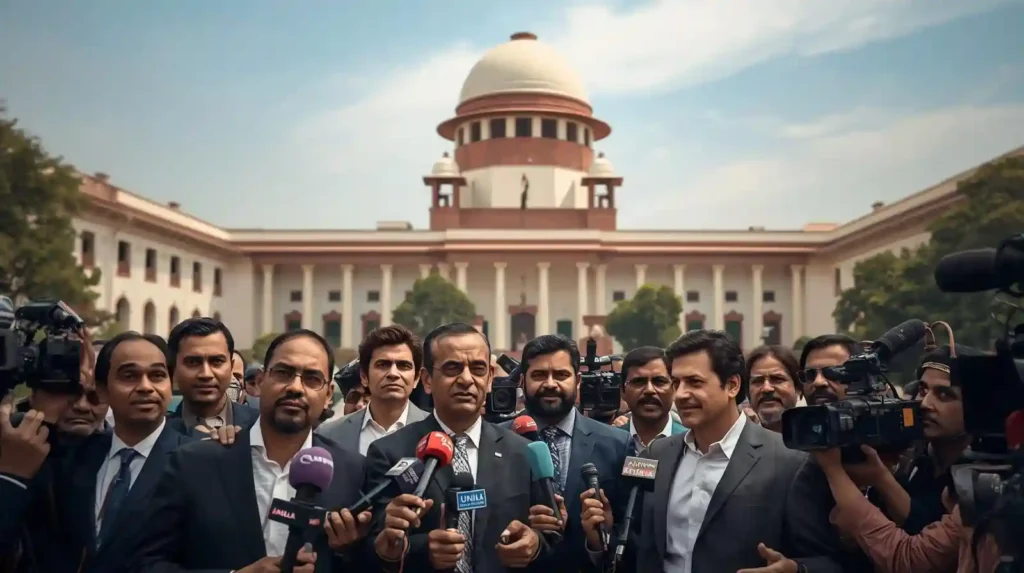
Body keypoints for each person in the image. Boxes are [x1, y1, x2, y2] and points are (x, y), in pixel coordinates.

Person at [127, 330, 369, 572]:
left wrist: (345, 550)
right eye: (283, 373)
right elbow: (148, 564)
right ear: (261, 381)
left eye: (312, 378)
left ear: (328, 395)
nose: (296, 387)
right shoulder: (194, 464)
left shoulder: (351, 471)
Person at [634, 330, 844, 573]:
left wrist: (796, 569)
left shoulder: (791, 462)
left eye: (695, 382)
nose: (681, 394)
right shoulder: (658, 454)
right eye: (676, 383)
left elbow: (828, 561)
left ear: (732, 385)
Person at [366, 323, 551, 572]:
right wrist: (421, 549)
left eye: (477, 369)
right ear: (427, 380)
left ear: (489, 378)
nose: (466, 379)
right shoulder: (389, 452)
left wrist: (534, 544)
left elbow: (549, 541)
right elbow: (374, 547)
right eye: (453, 368)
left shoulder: (523, 453)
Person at [62, 331, 192, 573]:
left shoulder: (198, 460)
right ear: (102, 390)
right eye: (129, 376)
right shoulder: (77, 456)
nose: (146, 387)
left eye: (157, 375)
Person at [317, 325, 429, 454]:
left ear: (416, 378)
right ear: (364, 376)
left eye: (403, 366)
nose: (393, 373)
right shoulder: (328, 435)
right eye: (383, 365)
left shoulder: (438, 433)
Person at [166, 318, 257, 434]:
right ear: (173, 370)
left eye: (217, 361)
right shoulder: (157, 436)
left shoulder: (261, 428)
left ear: (231, 367)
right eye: (193, 362)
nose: (206, 374)